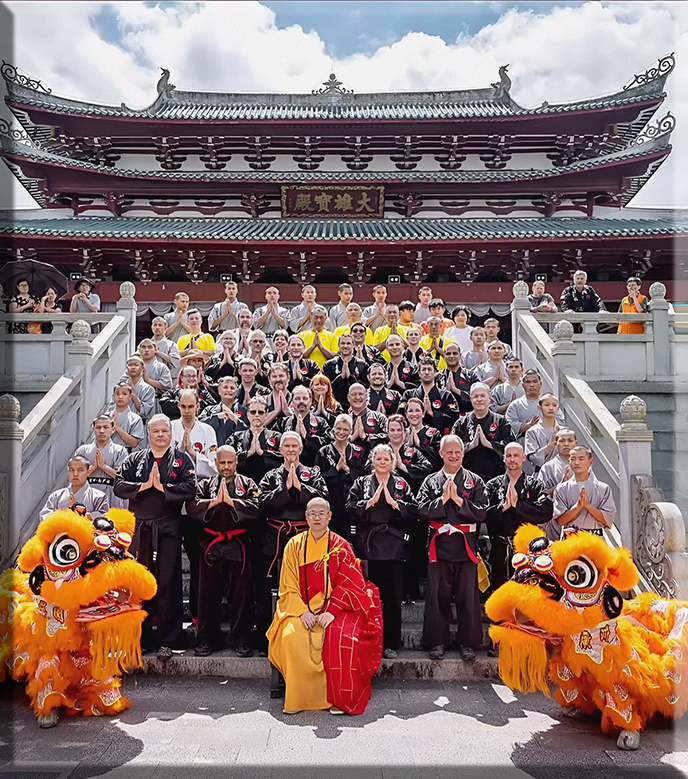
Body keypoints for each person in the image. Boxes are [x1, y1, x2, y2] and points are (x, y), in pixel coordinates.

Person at [267, 497, 382, 715]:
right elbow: (287, 585)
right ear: (306, 517)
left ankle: (336, 698)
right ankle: (298, 698)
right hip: (299, 609)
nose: (317, 517)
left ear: (330, 516)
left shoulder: (341, 546)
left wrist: (332, 610)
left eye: (322, 513)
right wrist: (301, 611)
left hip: (333, 609)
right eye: (312, 513)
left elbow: (350, 582)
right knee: (292, 636)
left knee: (342, 637)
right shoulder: (294, 545)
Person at [114, 414, 197, 656]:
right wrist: (143, 486)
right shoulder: (135, 459)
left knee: (168, 582)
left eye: (165, 431)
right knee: (140, 582)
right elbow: (118, 485)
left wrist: (163, 488)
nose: (161, 435)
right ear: (148, 434)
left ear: (171, 435)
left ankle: (169, 638)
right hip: (141, 529)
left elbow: (190, 488)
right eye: (156, 431)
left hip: (168, 528)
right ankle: (142, 636)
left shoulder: (182, 460)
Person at [417, 435, 488, 661]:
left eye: (457, 452)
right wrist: (442, 501)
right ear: (441, 454)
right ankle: (437, 641)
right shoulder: (431, 481)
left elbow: (482, 512)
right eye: (449, 452)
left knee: (468, 596)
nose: (454, 456)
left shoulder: (474, 480)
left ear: (463, 453)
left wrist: (458, 501)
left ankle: (468, 643)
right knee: (438, 595)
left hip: (465, 545)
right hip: (440, 545)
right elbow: (421, 509)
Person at [256, 432, 329, 650]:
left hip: (304, 538)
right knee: (270, 588)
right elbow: (261, 502)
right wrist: (284, 490)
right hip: (275, 538)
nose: (290, 449)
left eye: (294, 446)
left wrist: (300, 489)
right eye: (286, 446)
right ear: (280, 450)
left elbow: (323, 500)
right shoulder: (270, 476)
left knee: (304, 588)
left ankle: (304, 640)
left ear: (300, 449)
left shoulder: (312, 475)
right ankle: (266, 639)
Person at [188, 445, 259, 657]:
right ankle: (208, 639)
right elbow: (192, 506)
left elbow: (257, 507)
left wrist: (233, 503)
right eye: (222, 463)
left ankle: (242, 639)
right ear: (216, 463)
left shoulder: (248, 484)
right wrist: (213, 503)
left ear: (236, 462)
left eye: (230, 462)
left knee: (241, 595)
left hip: (237, 544)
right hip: (210, 543)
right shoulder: (204, 484)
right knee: (207, 595)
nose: (226, 467)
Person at [347, 444, 417, 659]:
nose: (383, 462)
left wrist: (395, 505)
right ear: (372, 460)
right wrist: (368, 503)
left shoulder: (402, 484)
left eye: (387, 459)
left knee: (393, 599)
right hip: (368, 547)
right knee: (367, 598)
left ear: (393, 461)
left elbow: (414, 511)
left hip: (394, 548)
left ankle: (390, 643)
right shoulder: (361, 483)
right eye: (379, 459)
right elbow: (349, 507)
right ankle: (368, 641)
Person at [484, 442, 553, 591]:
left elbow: (547, 510)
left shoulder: (534, 484)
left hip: (527, 549)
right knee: (501, 590)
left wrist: (518, 506)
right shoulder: (492, 485)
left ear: (523, 458)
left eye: (516, 455)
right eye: (509, 456)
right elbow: (482, 512)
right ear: (503, 458)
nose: (512, 459)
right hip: (499, 548)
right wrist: (503, 508)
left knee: (528, 590)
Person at [315, 414, 369, 541]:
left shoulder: (359, 452)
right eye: (338, 429)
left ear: (351, 431)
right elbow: (317, 480)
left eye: (345, 429)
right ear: (333, 430)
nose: (341, 432)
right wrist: (335, 470)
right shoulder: (323, 452)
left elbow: (364, 478)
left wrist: (348, 470)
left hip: (352, 504)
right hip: (331, 502)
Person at [451, 382, 512, 482]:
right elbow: (452, 447)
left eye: (483, 396)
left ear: (489, 397)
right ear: (470, 399)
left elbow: (511, 446)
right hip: (467, 476)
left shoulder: (501, 421)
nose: (479, 399)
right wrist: (471, 445)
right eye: (475, 396)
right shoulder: (461, 423)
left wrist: (489, 444)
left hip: (496, 475)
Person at [551, 446, 616, 537]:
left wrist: (588, 506)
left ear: (591, 462)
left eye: (581, 459)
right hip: (570, 540)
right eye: (573, 459)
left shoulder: (603, 488)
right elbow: (560, 521)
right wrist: (577, 507)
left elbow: (607, 521)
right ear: (569, 462)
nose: (577, 462)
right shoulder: (562, 489)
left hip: (595, 539)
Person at [75, 414, 129, 509]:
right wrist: (92, 468)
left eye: (106, 427)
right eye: (98, 427)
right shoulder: (82, 451)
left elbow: (123, 476)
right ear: (93, 429)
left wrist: (103, 466)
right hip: (87, 493)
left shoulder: (120, 451)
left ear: (113, 430)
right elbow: (75, 476)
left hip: (112, 494)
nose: (102, 431)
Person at [229, 396, 282, 484]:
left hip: (270, 484)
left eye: (260, 412)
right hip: (242, 484)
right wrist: (248, 454)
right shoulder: (236, 437)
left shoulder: (276, 436)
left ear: (266, 414)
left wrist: (262, 453)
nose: (256, 415)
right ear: (248, 414)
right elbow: (228, 460)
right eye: (253, 412)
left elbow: (283, 460)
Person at [401, 356, 459, 434]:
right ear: (419, 374)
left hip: (438, 438)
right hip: (412, 436)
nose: (427, 372)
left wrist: (433, 413)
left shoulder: (446, 396)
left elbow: (455, 417)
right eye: (424, 369)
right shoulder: (408, 395)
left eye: (429, 369)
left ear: (435, 372)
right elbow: (400, 416)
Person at [40, 455, 109, 520]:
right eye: (71, 470)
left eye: (80, 470)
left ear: (88, 472)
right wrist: (65, 516)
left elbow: (104, 516)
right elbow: (45, 514)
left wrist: (80, 515)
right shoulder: (56, 496)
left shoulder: (99, 496)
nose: (75, 474)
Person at [279, 385, 333, 466]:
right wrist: (293, 436)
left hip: (314, 469)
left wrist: (307, 437)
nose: (301, 401)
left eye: (305, 398)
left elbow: (329, 445)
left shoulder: (321, 422)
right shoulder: (283, 423)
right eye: (297, 398)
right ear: (292, 402)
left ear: (311, 401)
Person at [505, 370, 564, 443]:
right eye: (528, 382)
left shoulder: (551, 403)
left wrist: (544, 424)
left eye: (535, 381)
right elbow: (510, 425)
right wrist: (529, 425)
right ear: (523, 385)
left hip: (549, 440)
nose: (532, 385)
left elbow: (560, 421)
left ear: (540, 384)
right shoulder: (515, 405)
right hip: (524, 442)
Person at [171, 389, 218, 480]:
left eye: (191, 406)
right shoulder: (170, 428)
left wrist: (192, 453)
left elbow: (213, 467)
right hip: (175, 481)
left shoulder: (208, 430)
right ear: (178, 406)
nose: (187, 411)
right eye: (183, 406)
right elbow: (165, 462)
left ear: (197, 406)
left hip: (201, 482)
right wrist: (181, 451)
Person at [322, 332, 367, 408]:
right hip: (334, 405)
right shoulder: (330, 364)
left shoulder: (362, 365)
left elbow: (366, 387)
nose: (345, 346)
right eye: (343, 343)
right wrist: (340, 378)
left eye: (348, 343)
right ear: (338, 345)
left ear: (353, 345)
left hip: (356, 405)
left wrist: (351, 378)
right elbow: (325, 387)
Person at [200, 375, 247, 443]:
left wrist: (235, 419)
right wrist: (216, 417)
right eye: (225, 387)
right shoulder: (209, 410)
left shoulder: (244, 411)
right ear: (219, 390)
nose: (229, 390)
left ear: (236, 392)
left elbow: (249, 431)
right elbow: (199, 424)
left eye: (232, 388)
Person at [524, 393, 563, 471]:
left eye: (554, 405)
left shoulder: (563, 431)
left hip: (562, 471)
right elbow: (532, 457)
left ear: (558, 409)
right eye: (547, 405)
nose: (551, 408)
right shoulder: (532, 431)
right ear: (539, 407)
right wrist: (550, 446)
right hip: (541, 472)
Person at [347, 383, 388, 455]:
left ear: (366, 396)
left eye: (360, 394)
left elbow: (388, 436)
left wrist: (366, 437)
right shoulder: (344, 420)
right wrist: (351, 438)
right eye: (354, 394)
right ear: (348, 397)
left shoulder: (379, 417)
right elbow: (333, 437)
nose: (357, 397)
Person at [404, 396, 443, 470]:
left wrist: (419, 444)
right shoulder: (400, 433)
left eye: (417, 410)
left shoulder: (434, 433)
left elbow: (439, 458)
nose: (414, 414)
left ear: (423, 413)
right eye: (410, 411)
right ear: (406, 414)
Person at [537, 428, 578, 497]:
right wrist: (561, 484)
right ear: (555, 444)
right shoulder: (548, 467)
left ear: (576, 443)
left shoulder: (583, 465)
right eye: (562, 441)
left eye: (570, 441)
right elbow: (541, 495)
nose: (566, 444)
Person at [436, 342, 474, 413]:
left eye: (454, 353)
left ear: (460, 355)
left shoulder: (470, 375)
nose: (451, 356)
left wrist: (456, 390)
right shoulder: (438, 377)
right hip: (445, 416)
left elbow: (477, 397)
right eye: (448, 354)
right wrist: (446, 393)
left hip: (467, 416)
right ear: (444, 356)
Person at [110, 382, 146, 451]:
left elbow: (134, 443)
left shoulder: (135, 419)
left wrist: (118, 428)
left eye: (124, 394)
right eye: (117, 394)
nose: (120, 397)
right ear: (113, 396)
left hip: (127, 454)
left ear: (130, 397)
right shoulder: (107, 417)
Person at [120, 355, 156, 422]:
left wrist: (133, 392)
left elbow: (145, 412)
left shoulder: (148, 389)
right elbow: (113, 409)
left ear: (142, 368)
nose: (133, 367)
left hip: (140, 425)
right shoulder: (120, 387)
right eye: (130, 365)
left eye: (136, 365)